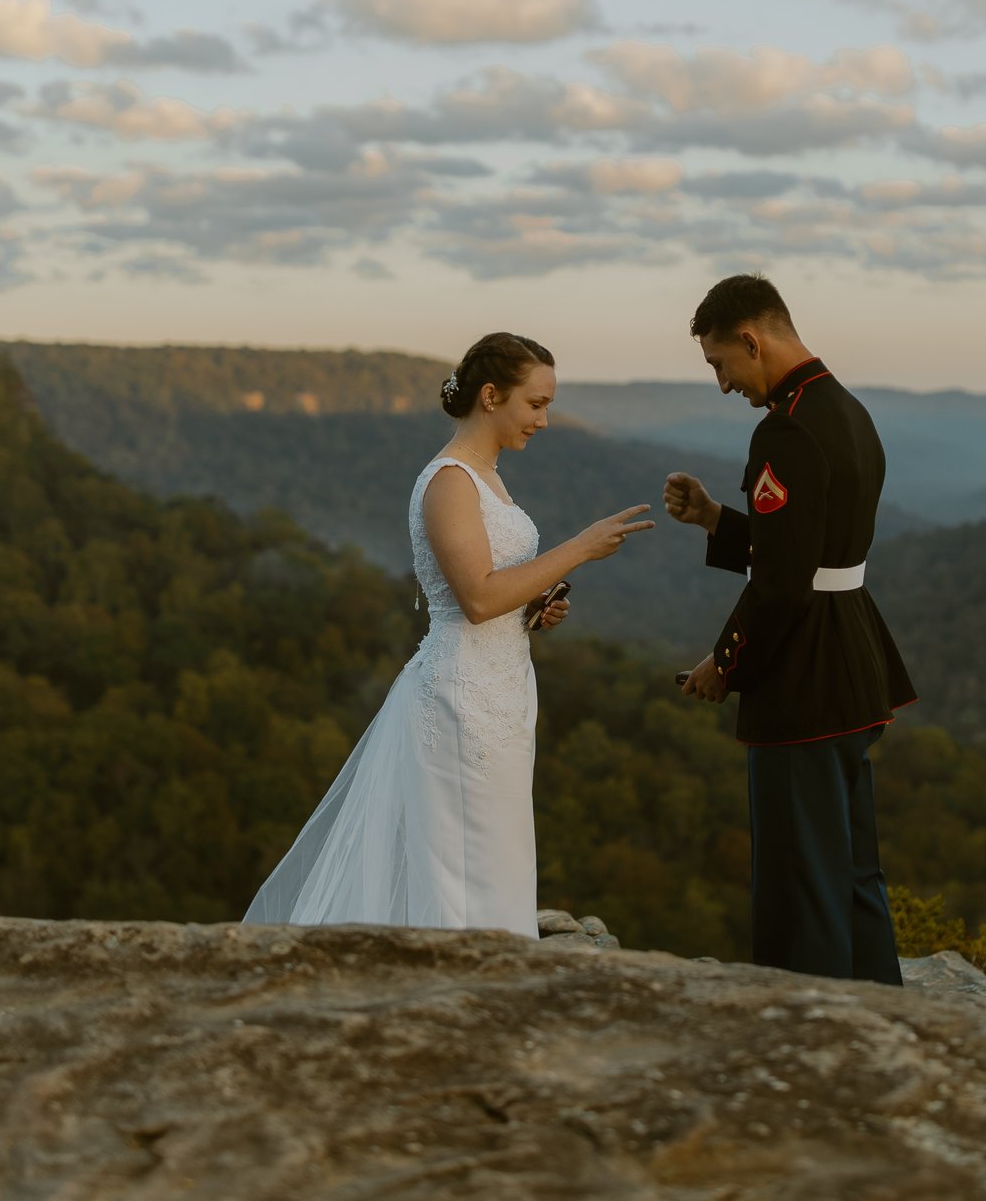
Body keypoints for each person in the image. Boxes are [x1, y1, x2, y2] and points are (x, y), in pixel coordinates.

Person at [245, 332, 653, 934]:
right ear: (491, 396)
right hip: (460, 699)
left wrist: (535, 606)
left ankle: (495, 970)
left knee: (495, 849)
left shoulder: (488, 476)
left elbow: (497, 591)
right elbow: (479, 596)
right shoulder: (450, 481)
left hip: (504, 688)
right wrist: (580, 548)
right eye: (534, 404)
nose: (544, 419)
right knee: (464, 859)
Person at [664, 276, 916, 982]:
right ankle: (881, 1019)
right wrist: (718, 518)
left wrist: (726, 662)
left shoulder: (786, 428)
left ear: (752, 339)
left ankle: (814, 1039)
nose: (722, 384)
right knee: (854, 874)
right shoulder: (847, 409)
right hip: (853, 664)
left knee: (800, 885)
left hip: (802, 681)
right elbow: (812, 548)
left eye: (720, 364)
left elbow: (782, 582)